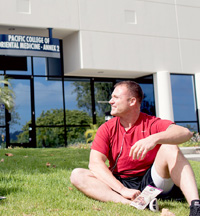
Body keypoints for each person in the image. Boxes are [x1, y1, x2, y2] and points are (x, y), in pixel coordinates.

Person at [70, 80, 200, 215]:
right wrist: (122, 190)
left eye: (116, 98)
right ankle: (132, 203)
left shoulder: (151, 123)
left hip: (152, 181)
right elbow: (95, 163)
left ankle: (196, 206)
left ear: (132, 101)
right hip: (121, 182)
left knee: (170, 147)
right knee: (77, 174)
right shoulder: (107, 128)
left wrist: (153, 139)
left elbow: (186, 133)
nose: (110, 101)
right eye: (111, 97)